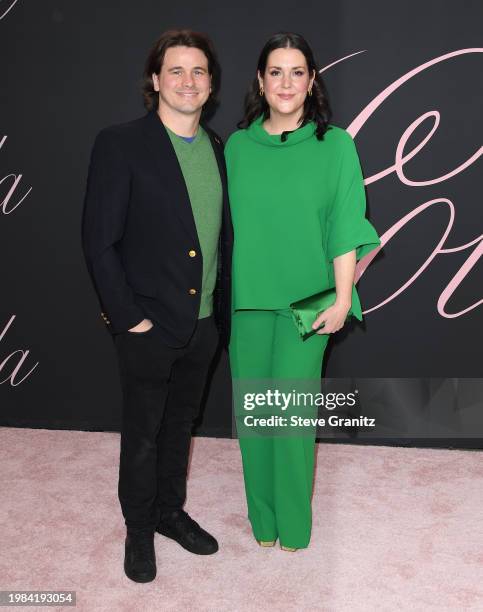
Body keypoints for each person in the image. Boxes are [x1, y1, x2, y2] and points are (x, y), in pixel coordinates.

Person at [81, 29, 233, 583]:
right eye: (176, 70)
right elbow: (98, 242)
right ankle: (139, 528)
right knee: (143, 433)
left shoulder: (219, 148)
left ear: (211, 84)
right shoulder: (120, 143)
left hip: (203, 325)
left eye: (198, 71)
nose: (187, 81)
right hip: (147, 323)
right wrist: (130, 319)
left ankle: (170, 513)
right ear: (155, 81)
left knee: (181, 427)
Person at [225, 32, 380, 551]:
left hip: (308, 305)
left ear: (312, 80)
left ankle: (294, 527)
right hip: (247, 301)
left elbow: (344, 225)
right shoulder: (238, 147)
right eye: (276, 72)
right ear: (260, 81)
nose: (286, 83)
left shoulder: (335, 145)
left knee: (289, 419)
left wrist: (341, 299)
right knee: (254, 418)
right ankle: (262, 524)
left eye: (297, 72)